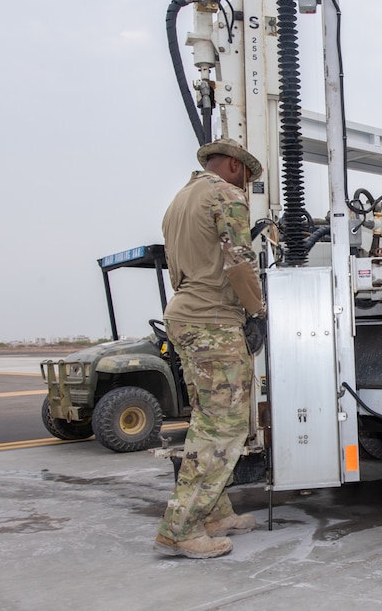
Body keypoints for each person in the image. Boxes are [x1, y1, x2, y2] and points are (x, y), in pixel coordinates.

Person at [154, 137, 266, 559]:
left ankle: (214, 514)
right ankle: (180, 527)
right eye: (249, 181)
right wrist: (257, 312)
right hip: (213, 321)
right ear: (236, 168)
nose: (247, 189)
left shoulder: (179, 201)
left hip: (184, 315)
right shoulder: (226, 194)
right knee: (226, 427)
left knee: (206, 420)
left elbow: (177, 267)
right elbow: (238, 259)